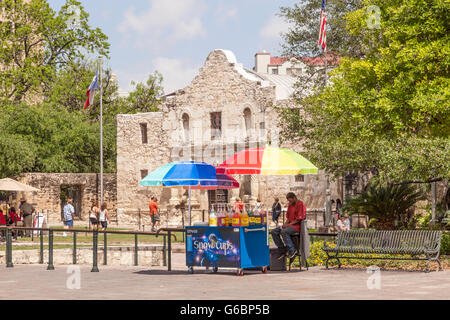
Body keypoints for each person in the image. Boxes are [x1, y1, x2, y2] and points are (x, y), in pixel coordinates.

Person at [270, 193, 306, 259]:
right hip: (290, 225)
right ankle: (282, 250)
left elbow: (298, 220)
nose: (289, 202)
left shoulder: (300, 205)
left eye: (290, 201)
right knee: (273, 232)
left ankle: (292, 250)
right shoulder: (290, 205)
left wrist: (288, 225)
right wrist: (284, 225)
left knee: (284, 232)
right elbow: (288, 218)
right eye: (289, 201)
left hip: (296, 226)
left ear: (294, 198)